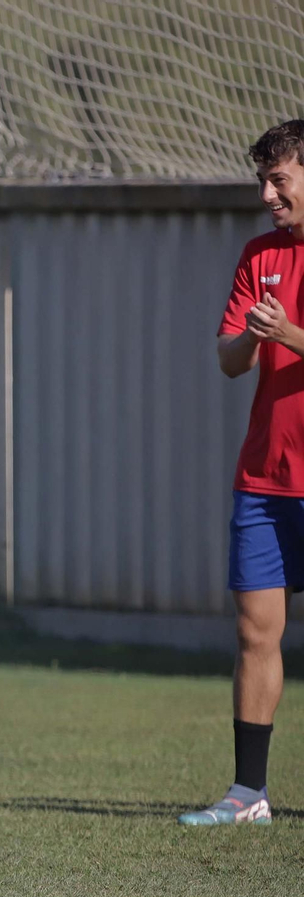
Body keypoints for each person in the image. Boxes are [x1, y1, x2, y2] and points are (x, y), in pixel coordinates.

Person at [186, 119, 304, 827]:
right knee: (256, 633)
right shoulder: (258, 255)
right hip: (264, 479)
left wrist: (291, 333)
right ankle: (248, 795)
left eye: (280, 180)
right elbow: (230, 359)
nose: (267, 194)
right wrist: (251, 340)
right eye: (263, 181)